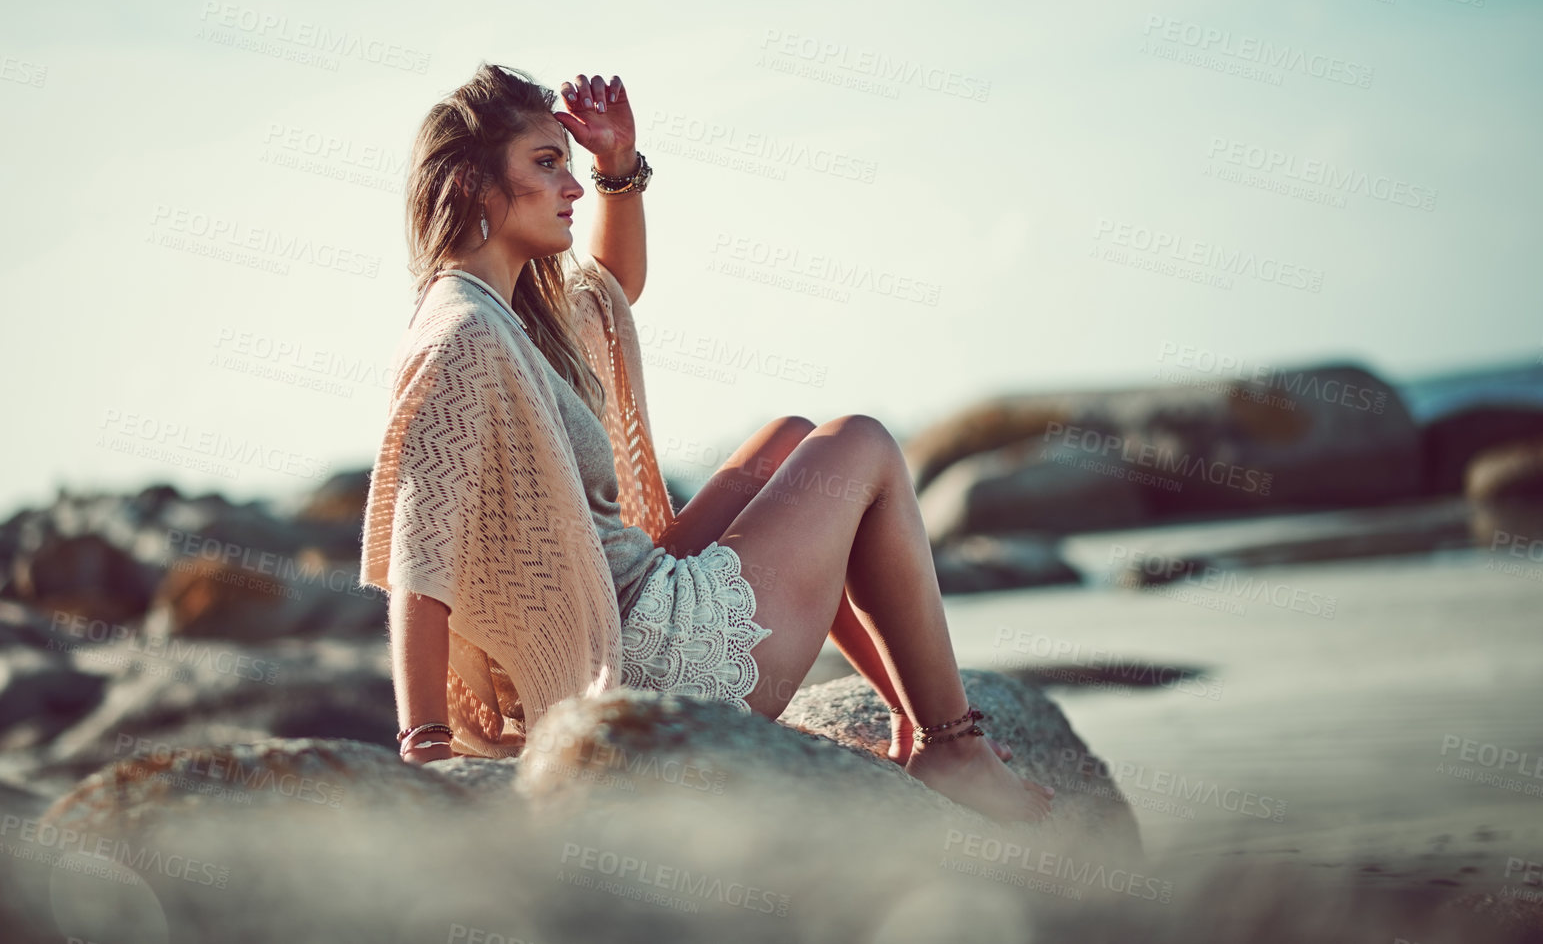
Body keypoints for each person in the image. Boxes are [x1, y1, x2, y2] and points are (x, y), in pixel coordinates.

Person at [366, 62, 1053, 826]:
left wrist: (619, 167)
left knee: (790, 442)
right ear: (471, 184)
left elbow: (611, 291)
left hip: (616, 601)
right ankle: (952, 744)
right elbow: (417, 558)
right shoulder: (462, 333)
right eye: (546, 162)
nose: (573, 187)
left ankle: (908, 710)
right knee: (862, 446)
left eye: (568, 165)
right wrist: (424, 744)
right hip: (637, 652)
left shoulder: (510, 311)